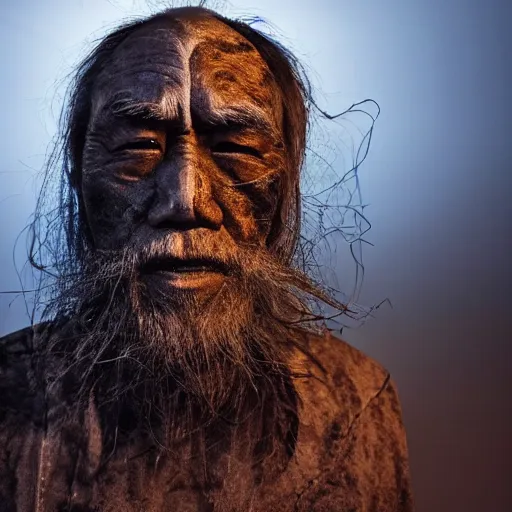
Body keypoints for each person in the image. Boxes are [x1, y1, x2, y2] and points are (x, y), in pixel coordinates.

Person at [0, 6, 414, 511]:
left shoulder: (354, 406)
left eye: (236, 148)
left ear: (285, 188)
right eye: (138, 146)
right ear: (78, 177)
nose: (188, 199)